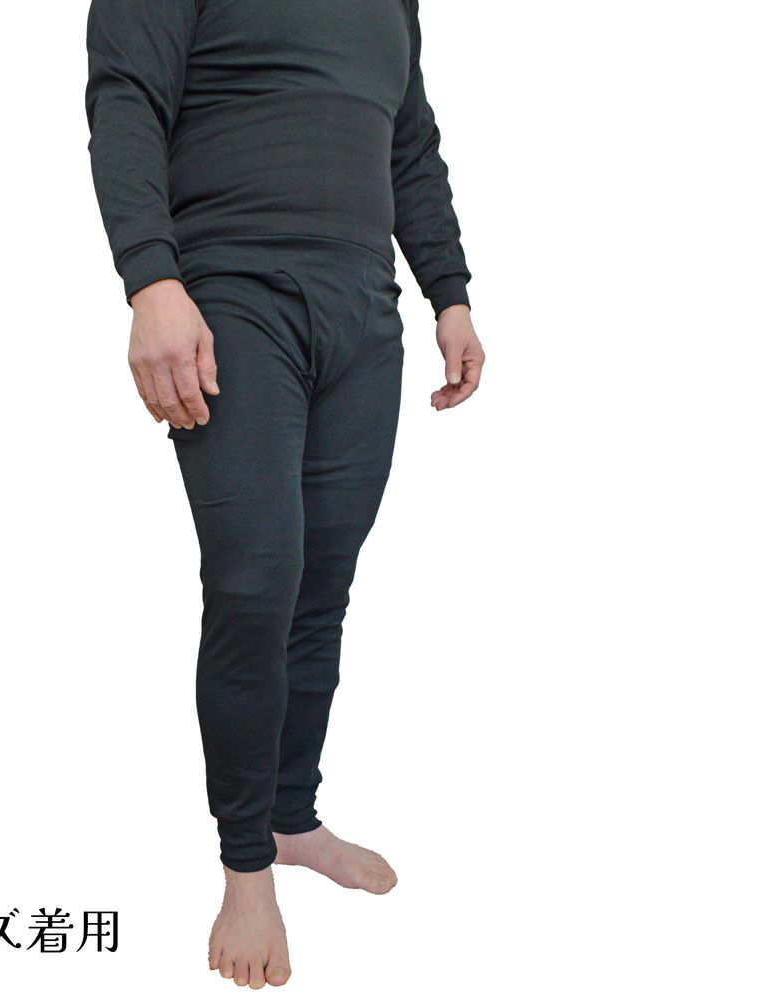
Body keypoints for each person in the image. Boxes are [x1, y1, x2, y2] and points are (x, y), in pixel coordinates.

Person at [85, 0, 485, 988]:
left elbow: (409, 143)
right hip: (230, 292)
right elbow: (126, 97)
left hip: (362, 309)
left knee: (320, 583)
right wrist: (150, 281)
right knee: (255, 581)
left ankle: (292, 816)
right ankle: (245, 868)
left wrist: (449, 291)